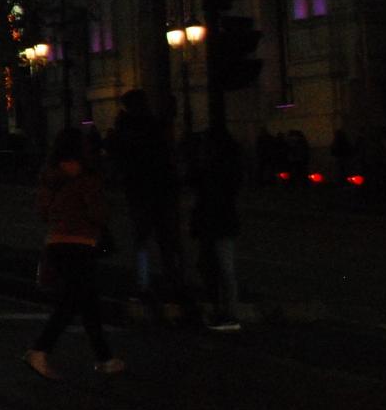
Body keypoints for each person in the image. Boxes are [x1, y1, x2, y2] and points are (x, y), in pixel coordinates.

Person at [25, 126, 123, 379]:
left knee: (86, 301)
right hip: (82, 243)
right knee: (72, 302)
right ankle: (40, 349)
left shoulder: (51, 176)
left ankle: (105, 357)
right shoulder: (88, 177)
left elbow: (42, 212)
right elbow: (98, 213)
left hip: (57, 242)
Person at [111, 89, 189, 315]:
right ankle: (173, 281)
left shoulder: (126, 128)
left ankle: (146, 283)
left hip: (141, 192)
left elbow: (121, 158)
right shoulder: (149, 126)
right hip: (159, 190)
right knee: (167, 241)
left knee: (144, 241)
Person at [190, 115, 244, 331]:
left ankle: (223, 312)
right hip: (223, 221)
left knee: (216, 267)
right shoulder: (228, 168)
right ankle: (229, 311)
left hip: (213, 221)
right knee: (224, 268)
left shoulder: (211, 169)